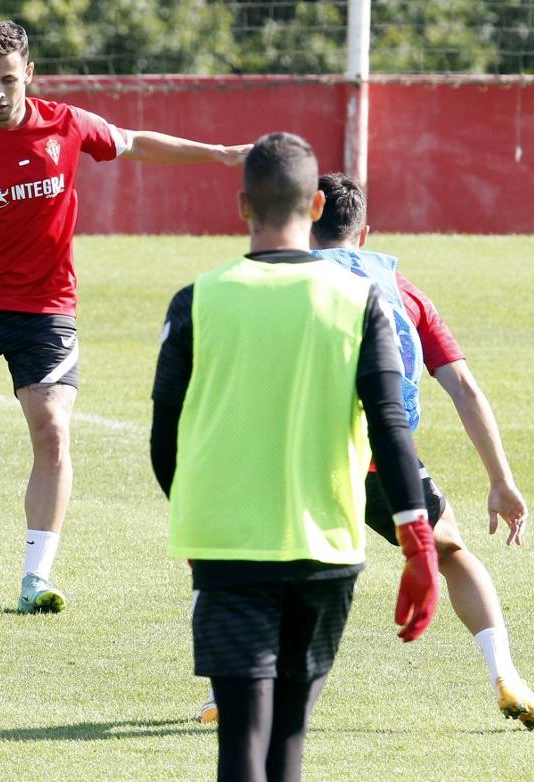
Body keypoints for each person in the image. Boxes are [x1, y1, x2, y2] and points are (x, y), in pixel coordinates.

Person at [0, 20, 251, 613]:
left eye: (8, 80)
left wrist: (220, 155)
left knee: (52, 427)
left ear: (29, 75)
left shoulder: (66, 125)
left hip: (46, 309)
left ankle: (35, 578)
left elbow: (136, 143)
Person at [150, 132, 439, 782]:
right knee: (289, 743)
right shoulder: (359, 300)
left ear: (241, 204)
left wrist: (195, 517)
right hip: (327, 552)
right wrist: (418, 545)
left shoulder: (196, 300)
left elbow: (162, 440)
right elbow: (391, 425)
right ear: (314, 206)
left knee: (240, 748)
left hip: (227, 552)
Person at [306, 172, 534, 729]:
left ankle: (231, 692)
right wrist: (500, 479)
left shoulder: (282, 281)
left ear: (305, 225)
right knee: (451, 551)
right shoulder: (405, 293)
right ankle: (506, 675)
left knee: (265, 567)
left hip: (303, 457)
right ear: (364, 233)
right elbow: (465, 389)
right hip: (383, 458)